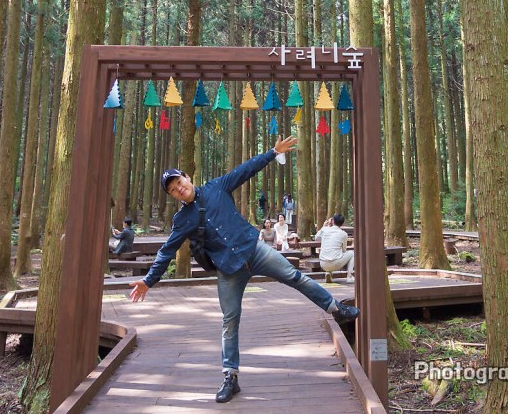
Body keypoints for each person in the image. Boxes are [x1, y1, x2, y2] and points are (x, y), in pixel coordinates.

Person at [128, 135, 360, 404]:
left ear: (187, 177)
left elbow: (245, 170)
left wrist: (273, 153)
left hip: (254, 250)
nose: (179, 189)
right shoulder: (182, 220)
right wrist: (148, 280)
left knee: (296, 277)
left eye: (180, 182)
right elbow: (166, 251)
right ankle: (230, 377)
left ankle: (336, 308)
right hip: (229, 269)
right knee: (230, 320)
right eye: (173, 190)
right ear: (172, 196)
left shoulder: (216, 187)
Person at [314, 214, 354, 282]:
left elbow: (316, 238)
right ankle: (349, 276)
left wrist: (323, 227)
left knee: (331, 253)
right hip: (336, 263)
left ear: (332, 221)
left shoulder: (325, 230)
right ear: (342, 223)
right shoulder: (343, 234)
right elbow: (344, 250)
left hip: (323, 264)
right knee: (352, 253)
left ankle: (328, 273)